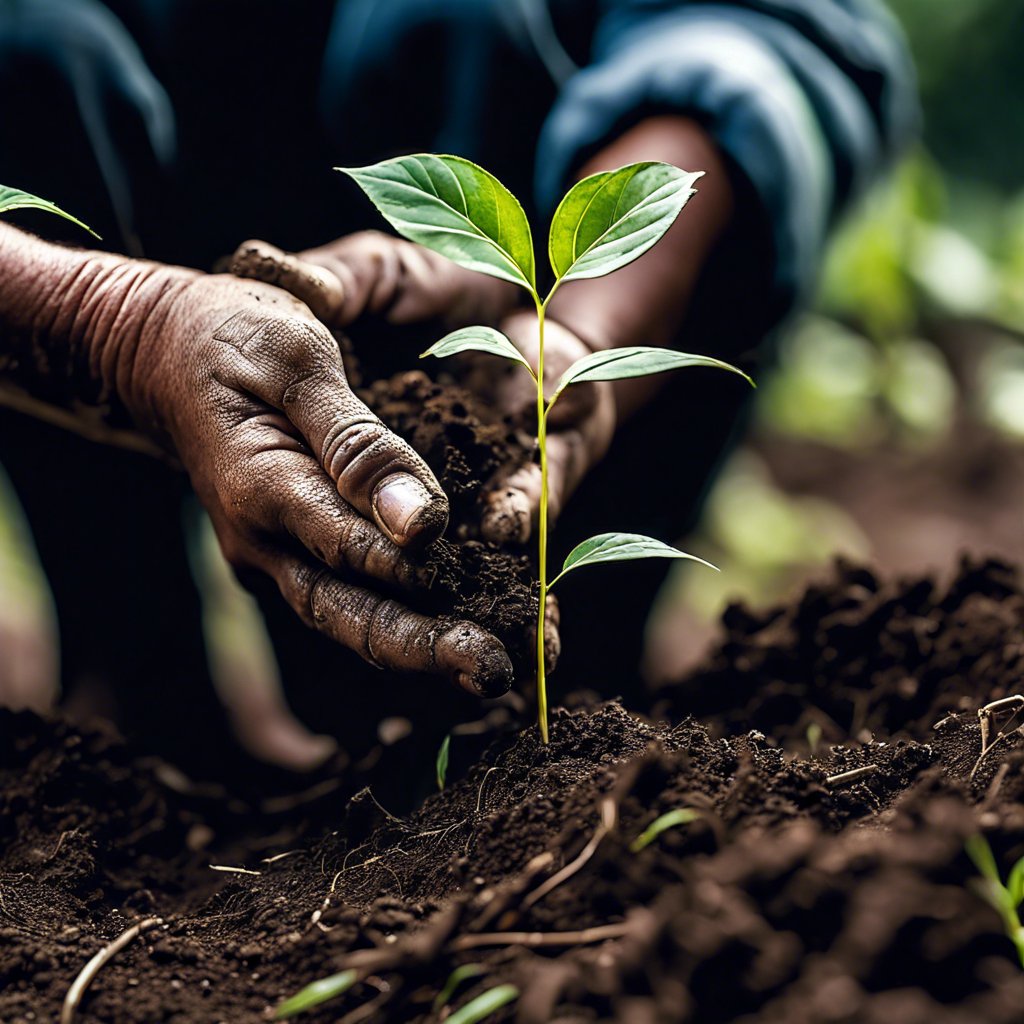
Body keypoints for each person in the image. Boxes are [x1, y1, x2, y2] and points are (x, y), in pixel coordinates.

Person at [0, 0, 917, 774]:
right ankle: (135, 711)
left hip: (490, 246)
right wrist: (112, 322)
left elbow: (781, 38)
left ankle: (553, 706)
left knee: (461, 18)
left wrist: (582, 331)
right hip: (126, 195)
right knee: (31, 59)